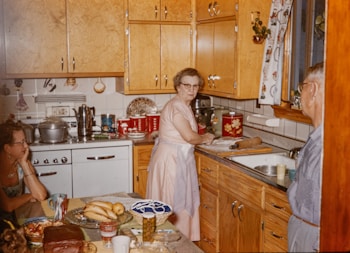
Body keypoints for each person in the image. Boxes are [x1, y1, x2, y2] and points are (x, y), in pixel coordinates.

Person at [146, 68, 215, 241]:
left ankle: (175, 244)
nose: (191, 90)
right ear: (178, 86)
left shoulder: (183, 105)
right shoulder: (177, 107)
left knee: (174, 203)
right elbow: (190, 137)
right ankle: (172, 244)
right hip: (171, 162)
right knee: (173, 204)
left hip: (175, 158)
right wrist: (205, 137)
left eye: (195, 86)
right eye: (187, 85)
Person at [287, 62, 324, 252]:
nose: (299, 95)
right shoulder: (316, 138)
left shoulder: (327, 146)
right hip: (303, 230)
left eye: (302, 87)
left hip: (313, 238)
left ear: (314, 89)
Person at [0, 120, 47, 232]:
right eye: (21, 142)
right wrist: (30, 196)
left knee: (38, 206)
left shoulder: (21, 163)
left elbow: (41, 195)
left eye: (25, 141)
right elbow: (7, 205)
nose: (26, 146)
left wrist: (24, 164)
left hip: (16, 215)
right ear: (7, 148)